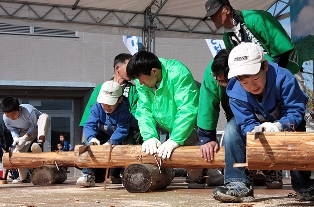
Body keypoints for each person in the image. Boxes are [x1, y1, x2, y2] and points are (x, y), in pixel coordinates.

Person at [212, 42, 308, 202]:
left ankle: (303, 183)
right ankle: (237, 182)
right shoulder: (235, 91)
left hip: (286, 126)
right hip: (257, 128)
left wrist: (279, 126)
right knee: (231, 128)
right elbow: (245, 122)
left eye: (256, 79)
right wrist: (254, 131)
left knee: (299, 129)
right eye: (245, 83)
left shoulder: (285, 78)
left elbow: (295, 110)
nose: (252, 86)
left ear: (265, 66)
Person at [126, 50, 202, 188]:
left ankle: (208, 174)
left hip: (192, 123)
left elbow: (187, 109)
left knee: (194, 174)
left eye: (142, 79)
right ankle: (211, 174)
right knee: (157, 150)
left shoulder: (178, 73)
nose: (140, 84)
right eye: (138, 80)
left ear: (154, 71)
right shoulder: (142, 81)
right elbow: (143, 110)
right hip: (166, 122)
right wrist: (149, 136)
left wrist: (175, 139)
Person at [79, 53, 141, 183]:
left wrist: (111, 141)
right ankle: (88, 173)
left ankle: (124, 172)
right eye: (129, 66)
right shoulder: (101, 89)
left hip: (123, 130)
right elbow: (89, 119)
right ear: (118, 68)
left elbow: (134, 117)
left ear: (119, 100)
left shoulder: (135, 90)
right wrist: (91, 137)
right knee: (89, 144)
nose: (133, 70)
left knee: (127, 143)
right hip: (101, 130)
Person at [202, 0, 303, 75]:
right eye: (210, 16)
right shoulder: (227, 37)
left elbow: (282, 50)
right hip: (262, 81)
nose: (212, 19)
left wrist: (271, 77)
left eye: (215, 14)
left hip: (289, 71)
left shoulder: (256, 18)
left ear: (227, 10)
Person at [197, 49, 233, 188]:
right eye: (218, 79)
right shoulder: (211, 75)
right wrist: (207, 138)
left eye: (223, 81)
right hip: (230, 107)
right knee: (232, 130)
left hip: (260, 109)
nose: (219, 82)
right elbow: (207, 106)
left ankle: (270, 171)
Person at [1, 96, 50, 183]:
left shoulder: (28, 110)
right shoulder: (5, 117)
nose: (12, 118)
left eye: (14, 114)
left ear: (19, 108)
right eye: (8, 115)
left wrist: (26, 137)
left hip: (37, 125)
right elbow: (13, 129)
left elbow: (34, 125)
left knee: (45, 116)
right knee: (17, 152)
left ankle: (40, 143)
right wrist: (16, 138)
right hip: (24, 131)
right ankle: (24, 177)